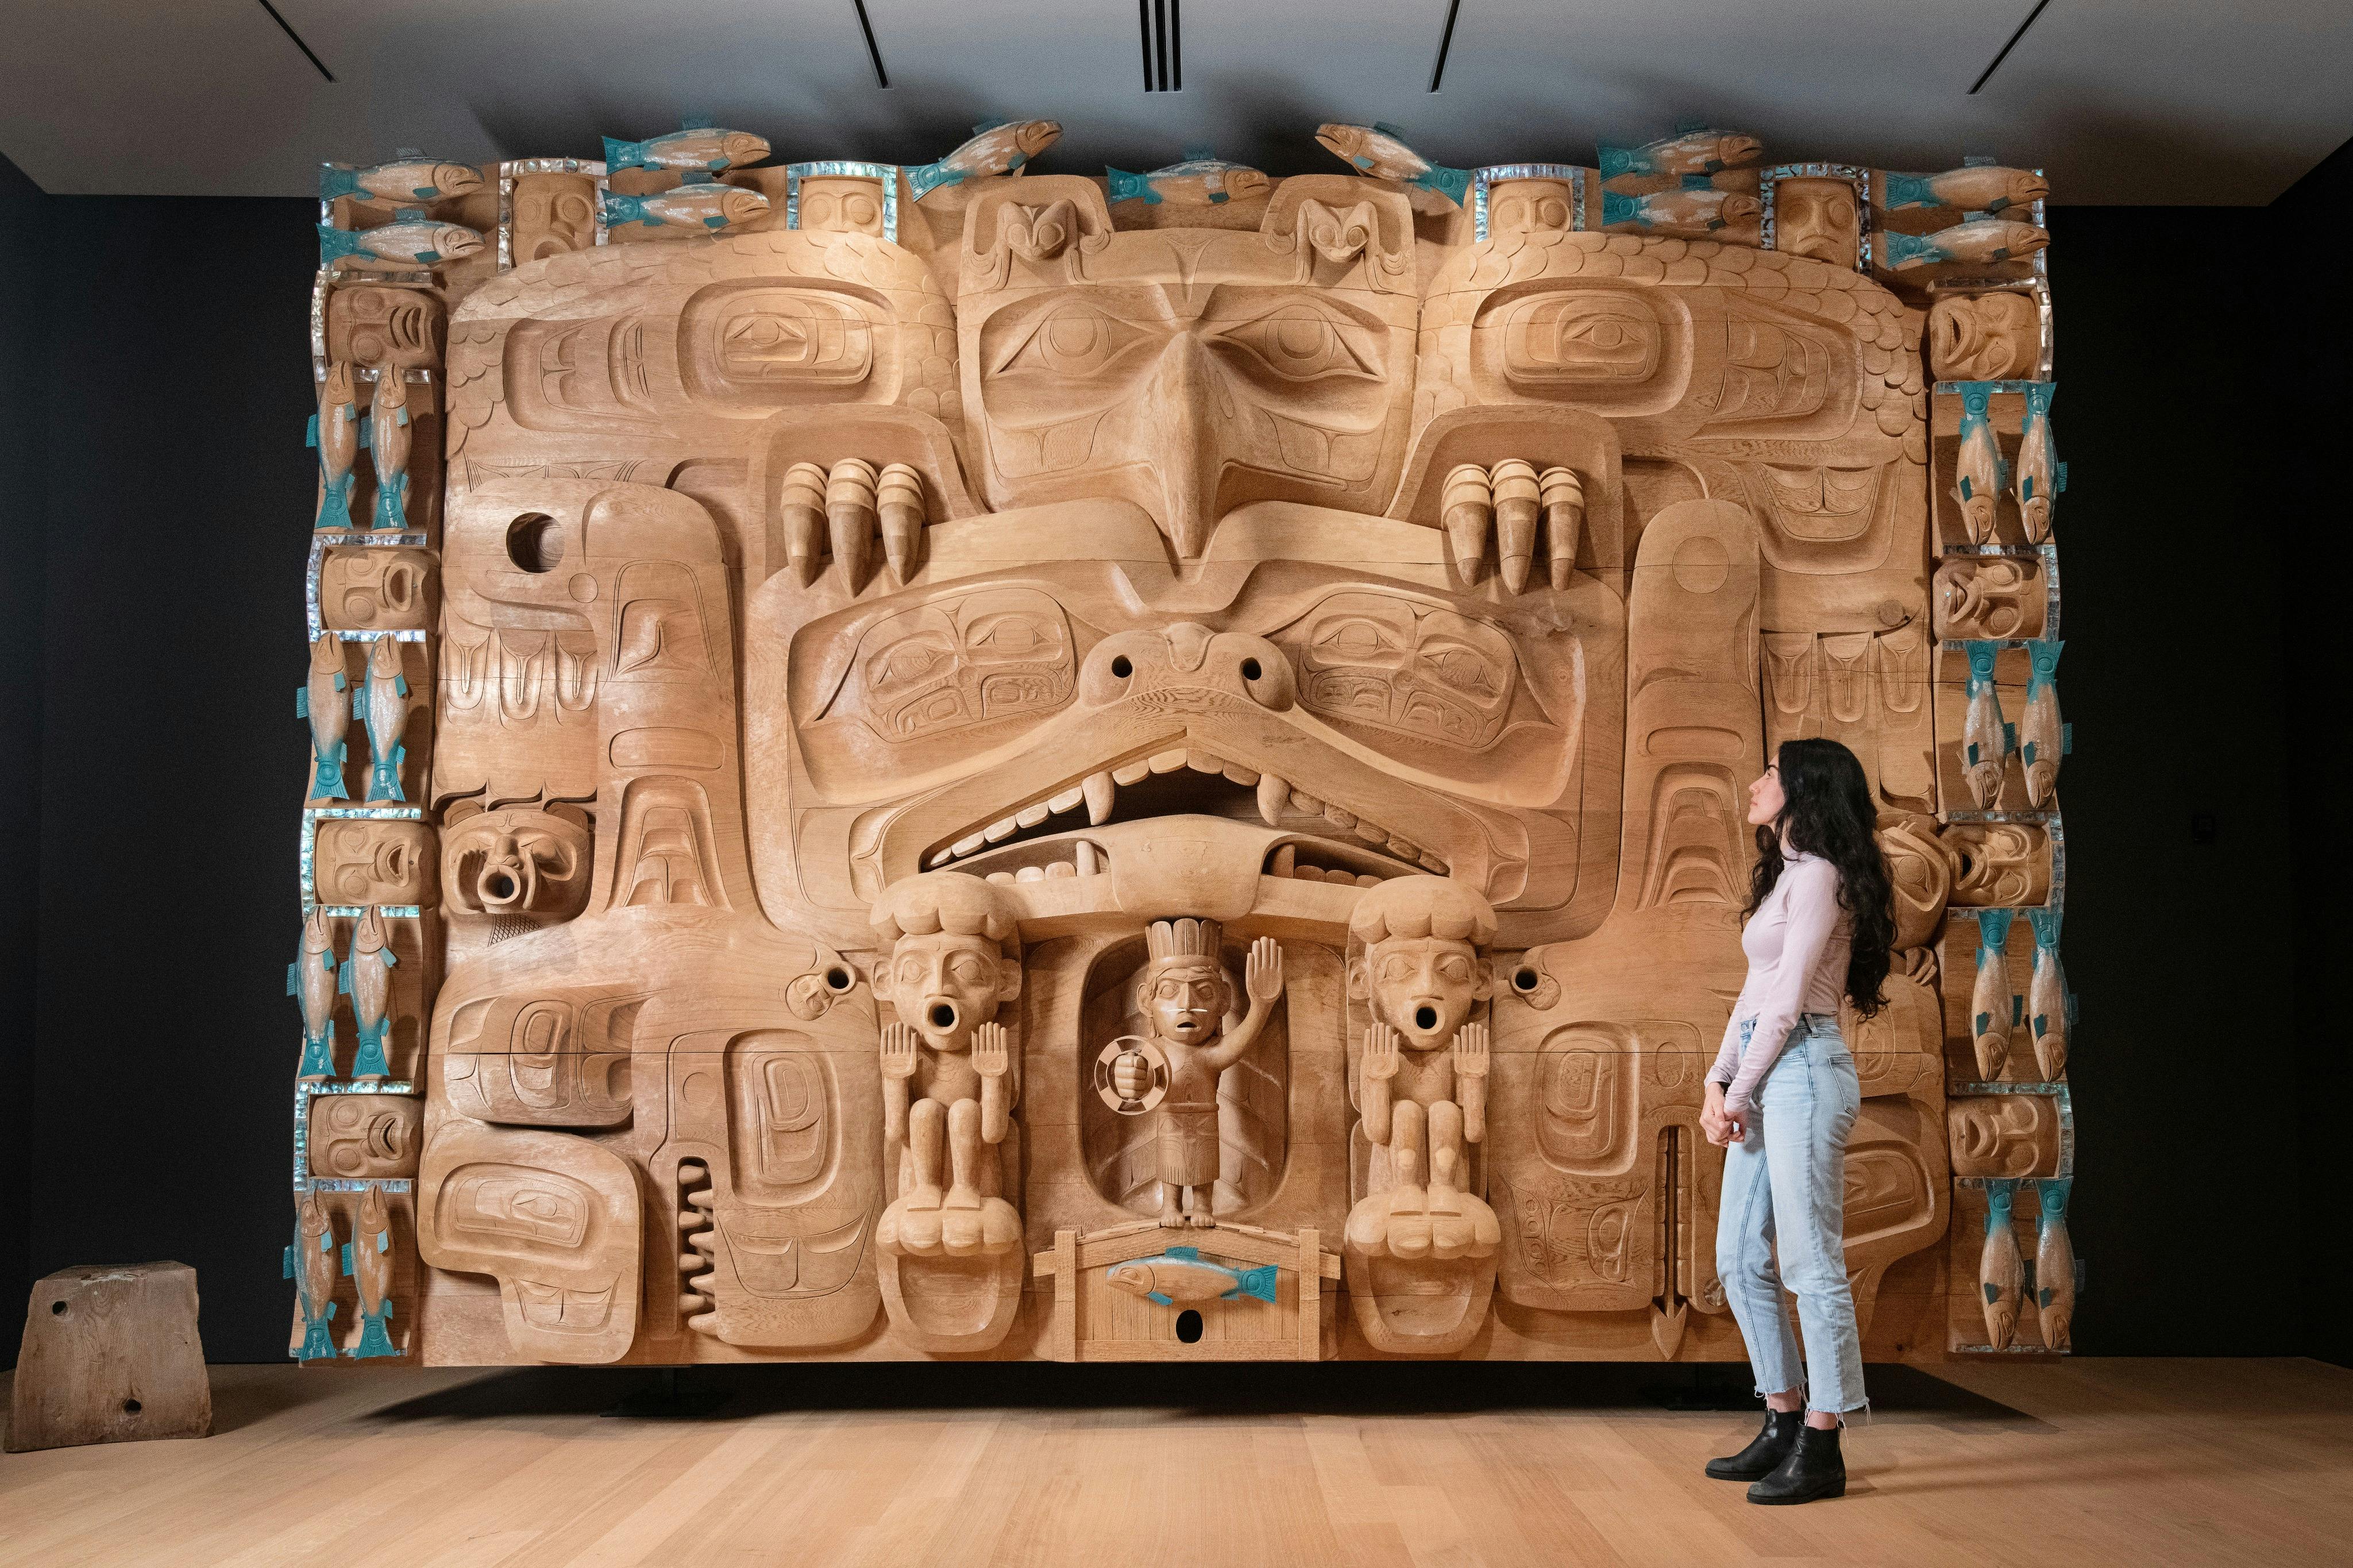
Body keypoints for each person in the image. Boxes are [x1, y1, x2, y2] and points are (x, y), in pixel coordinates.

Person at [1699, 737, 1895, 1505]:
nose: (1755, 785)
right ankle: (1782, 1416)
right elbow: (1754, 995)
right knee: (1738, 1255)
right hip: (1765, 1066)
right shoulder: (1785, 877)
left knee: (1808, 1261)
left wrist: (1739, 1091)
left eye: (1771, 775)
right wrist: (1720, 1080)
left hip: (1806, 1072)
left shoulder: (1820, 878)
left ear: (1805, 790)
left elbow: (1786, 1007)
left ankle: (1823, 1439)